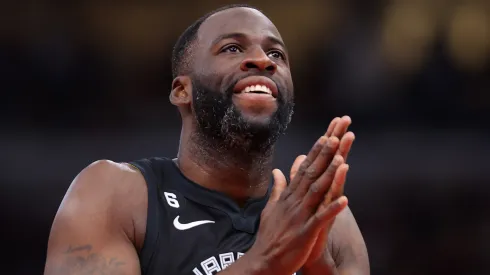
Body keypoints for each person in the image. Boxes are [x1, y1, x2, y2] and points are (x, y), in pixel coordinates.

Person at [44, 4, 369, 275]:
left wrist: (319, 268)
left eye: (277, 54)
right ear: (182, 90)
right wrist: (264, 264)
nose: (263, 60)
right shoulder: (115, 195)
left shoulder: (330, 218)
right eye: (232, 48)